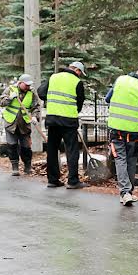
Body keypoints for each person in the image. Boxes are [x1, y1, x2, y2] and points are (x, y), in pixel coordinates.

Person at [105, 64, 138, 206]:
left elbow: (108, 99)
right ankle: (128, 192)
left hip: (116, 129)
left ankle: (125, 193)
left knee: (120, 159)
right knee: (131, 159)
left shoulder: (120, 80)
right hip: (133, 131)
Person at [37, 61, 87, 189]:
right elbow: (80, 102)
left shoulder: (54, 77)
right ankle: (73, 181)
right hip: (68, 121)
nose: (80, 75)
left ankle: (53, 180)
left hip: (52, 119)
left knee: (52, 150)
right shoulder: (77, 82)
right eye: (80, 73)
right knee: (72, 150)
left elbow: (41, 93)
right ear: (77, 70)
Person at [0, 74, 41, 177]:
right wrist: (9, 98)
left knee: (26, 147)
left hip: (24, 125)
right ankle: (15, 167)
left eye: (29, 85)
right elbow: (1, 102)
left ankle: (27, 166)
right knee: (12, 145)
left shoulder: (31, 93)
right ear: (20, 83)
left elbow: (36, 107)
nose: (28, 87)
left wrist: (35, 116)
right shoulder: (10, 90)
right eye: (26, 85)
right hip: (11, 123)